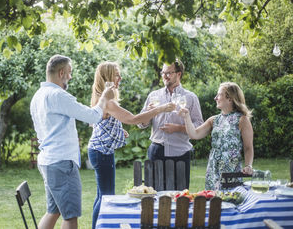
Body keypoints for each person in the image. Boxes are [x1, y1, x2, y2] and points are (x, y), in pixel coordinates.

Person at [30, 54, 114, 229]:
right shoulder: (58, 95)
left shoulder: (38, 96)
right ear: (61, 73)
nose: (70, 76)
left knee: (53, 211)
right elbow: (92, 116)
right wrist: (104, 97)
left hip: (48, 161)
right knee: (70, 217)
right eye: (69, 72)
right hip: (62, 163)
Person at [88, 61, 176, 229]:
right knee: (106, 197)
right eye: (116, 74)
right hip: (101, 153)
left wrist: (119, 131)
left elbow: (103, 124)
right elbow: (134, 120)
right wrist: (160, 109)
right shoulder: (108, 102)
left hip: (100, 151)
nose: (120, 78)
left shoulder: (102, 98)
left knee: (101, 196)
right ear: (107, 77)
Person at [138, 59, 204, 188]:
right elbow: (141, 124)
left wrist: (178, 128)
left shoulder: (190, 97)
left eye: (169, 73)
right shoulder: (154, 96)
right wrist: (149, 112)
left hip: (180, 152)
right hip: (156, 151)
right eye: (163, 72)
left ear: (178, 74)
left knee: (180, 197)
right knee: (154, 194)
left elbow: (199, 125)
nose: (164, 76)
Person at [178, 82, 254, 190]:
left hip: (231, 170)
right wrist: (186, 117)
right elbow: (194, 134)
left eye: (219, 95)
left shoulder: (242, 120)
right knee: (213, 202)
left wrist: (248, 165)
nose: (215, 98)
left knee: (230, 200)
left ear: (230, 98)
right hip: (213, 169)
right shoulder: (214, 120)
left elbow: (248, 147)